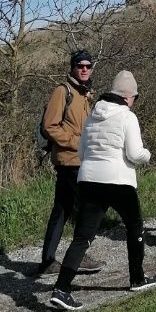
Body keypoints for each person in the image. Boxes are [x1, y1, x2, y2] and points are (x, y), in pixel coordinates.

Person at [49, 69, 156, 311]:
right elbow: (134, 153)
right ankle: (137, 278)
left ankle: (62, 289)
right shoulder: (127, 117)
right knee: (134, 226)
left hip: (88, 179)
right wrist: (147, 156)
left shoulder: (92, 114)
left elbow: (81, 152)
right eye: (135, 98)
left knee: (82, 237)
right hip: (118, 180)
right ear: (130, 97)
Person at [38, 49, 103, 275]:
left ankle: (48, 262)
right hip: (70, 161)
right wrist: (77, 142)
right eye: (80, 65)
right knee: (88, 209)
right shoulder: (62, 91)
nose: (84, 69)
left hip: (79, 160)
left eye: (88, 65)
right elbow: (49, 126)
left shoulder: (85, 93)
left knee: (63, 209)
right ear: (73, 68)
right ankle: (78, 256)